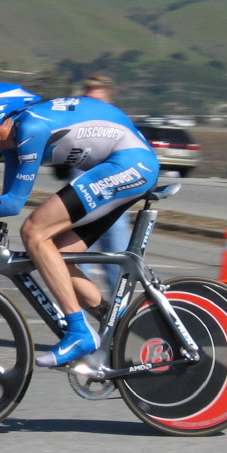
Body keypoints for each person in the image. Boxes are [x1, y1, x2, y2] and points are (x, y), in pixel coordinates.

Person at [0, 82, 159, 367]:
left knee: (35, 232)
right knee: (59, 254)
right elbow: (6, 202)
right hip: (124, 165)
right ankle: (117, 325)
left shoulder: (30, 128)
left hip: (131, 164)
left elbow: (13, 204)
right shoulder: (12, 142)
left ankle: (79, 331)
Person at [59, 74, 131, 297]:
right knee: (74, 265)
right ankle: (83, 323)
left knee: (116, 265)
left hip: (113, 203)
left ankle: (119, 321)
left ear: (109, 102)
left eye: (97, 99)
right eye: (88, 98)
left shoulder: (119, 123)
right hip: (81, 202)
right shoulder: (76, 123)